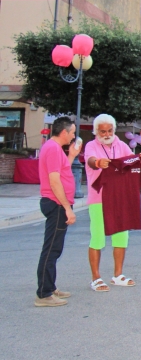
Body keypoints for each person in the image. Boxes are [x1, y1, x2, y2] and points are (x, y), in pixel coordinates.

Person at [84, 114, 141, 292]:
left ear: (114, 129)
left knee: (121, 237)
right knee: (97, 237)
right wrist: (97, 162)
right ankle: (95, 278)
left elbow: (132, 162)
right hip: (99, 199)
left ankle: (118, 274)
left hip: (121, 198)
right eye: (102, 131)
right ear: (96, 131)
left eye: (109, 130)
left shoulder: (122, 146)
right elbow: (89, 160)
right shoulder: (91, 146)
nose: (106, 134)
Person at [35, 117, 78, 307]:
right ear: (64, 132)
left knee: (55, 248)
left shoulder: (55, 149)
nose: (74, 136)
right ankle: (44, 294)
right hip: (56, 204)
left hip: (58, 204)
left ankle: (50, 287)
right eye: (73, 132)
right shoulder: (52, 148)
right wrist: (67, 208)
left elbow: (62, 171)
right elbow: (54, 181)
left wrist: (72, 156)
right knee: (51, 249)